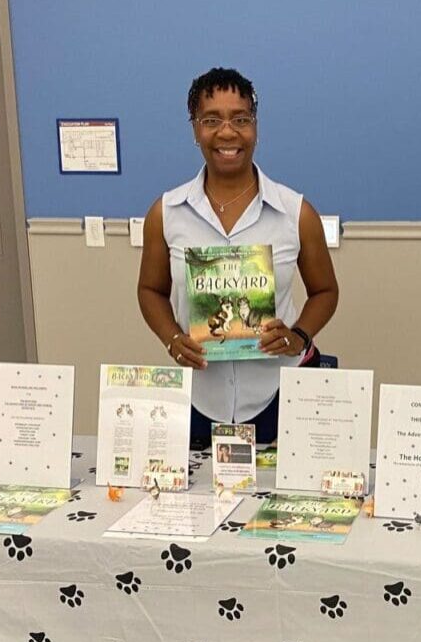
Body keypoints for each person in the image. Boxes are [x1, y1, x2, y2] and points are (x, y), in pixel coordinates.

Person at [137, 67, 339, 448]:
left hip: (281, 396)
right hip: (198, 399)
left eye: (240, 119)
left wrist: (298, 336)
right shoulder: (166, 213)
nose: (227, 132)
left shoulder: (296, 212)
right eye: (211, 120)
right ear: (195, 129)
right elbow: (149, 290)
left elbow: (326, 291)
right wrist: (171, 338)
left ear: (255, 127)